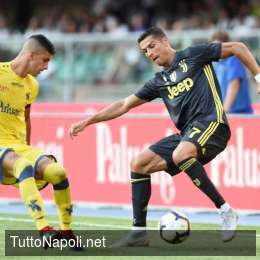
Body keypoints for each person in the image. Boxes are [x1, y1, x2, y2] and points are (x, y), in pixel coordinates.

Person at [69, 27, 260, 246]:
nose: (149, 53)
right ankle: (138, 233)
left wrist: (258, 76)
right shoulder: (159, 81)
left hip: (213, 124)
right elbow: (123, 105)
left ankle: (226, 211)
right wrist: (88, 121)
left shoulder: (193, 55)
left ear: (165, 41)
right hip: (187, 134)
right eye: (144, 51)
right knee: (138, 163)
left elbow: (238, 47)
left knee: (180, 154)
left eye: (152, 46)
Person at [0, 34, 79, 249]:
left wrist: (27, 149)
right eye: (45, 60)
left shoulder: (32, 85)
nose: (46, 67)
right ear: (30, 55)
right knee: (22, 165)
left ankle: (66, 230)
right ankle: (43, 229)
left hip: (17, 145)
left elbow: (26, 117)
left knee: (57, 172)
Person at [212, 31, 254, 113]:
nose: (215, 50)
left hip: (240, 113)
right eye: (213, 47)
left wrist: (226, 109)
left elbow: (234, 84)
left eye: (218, 47)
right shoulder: (218, 63)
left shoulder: (234, 59)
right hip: (230, 112)